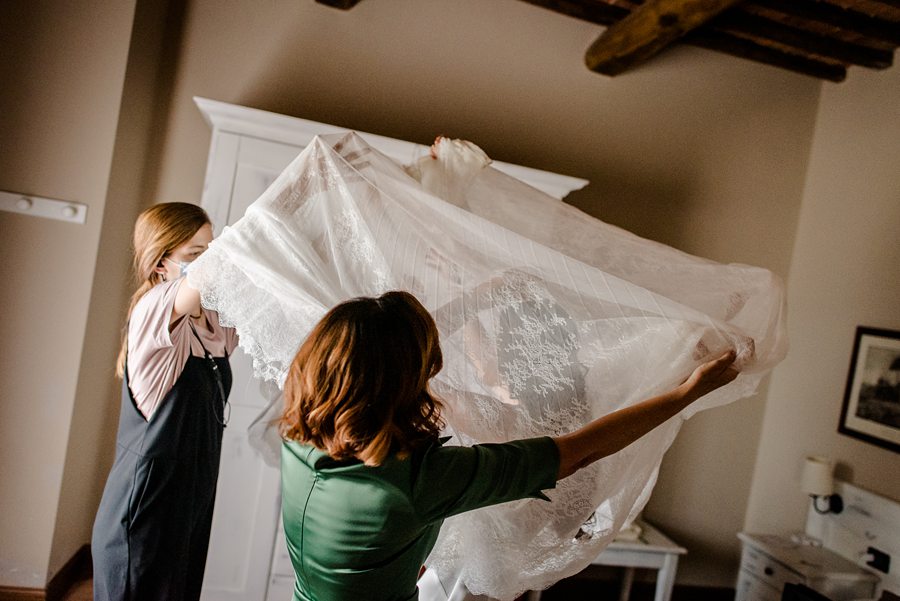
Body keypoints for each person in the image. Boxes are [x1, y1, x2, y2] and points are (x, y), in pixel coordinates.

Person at [278, 290, 739, 601]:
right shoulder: (424, 479)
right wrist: (685, 393)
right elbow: (579, 450)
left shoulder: (298, 438)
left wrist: (479, 294)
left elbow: (384, 350)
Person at [91, 202, 238, 601]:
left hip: (190, 504)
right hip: (145, 512)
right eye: (195, 254)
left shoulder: (213, 322)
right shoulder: (152, 308)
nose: (210, 260)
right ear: (161, 265)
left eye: (212, 248)